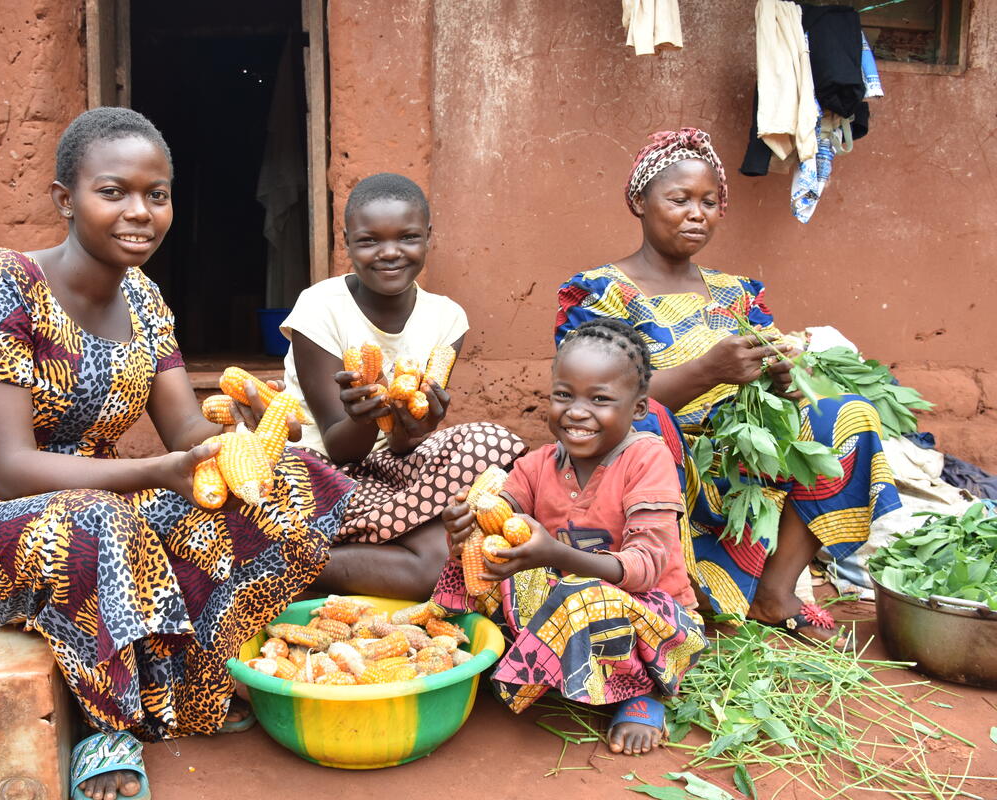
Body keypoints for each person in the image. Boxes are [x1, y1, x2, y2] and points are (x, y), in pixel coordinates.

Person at [0, 107, 354, 800]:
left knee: (292, 483)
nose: (140, 211)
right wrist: (156, 472)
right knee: (95, 521)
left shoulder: (144, 300)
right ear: (65, 199)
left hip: (106, 512)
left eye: (157, 194)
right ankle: (107, 726)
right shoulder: (2, 285)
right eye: (113, 192)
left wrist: (248, 439)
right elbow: (10, 470)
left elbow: (185, 434)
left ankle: (194, 688)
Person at [555, 128, 900, 646]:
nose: (697, 213)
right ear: (639, 203)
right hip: (657, 453)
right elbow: (594, 404)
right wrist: (707, 370)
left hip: (739, 449)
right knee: (647, 426)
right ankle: (672, 599)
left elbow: (775, 395)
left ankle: (773, 593)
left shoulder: (740, 294)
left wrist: (784, 379)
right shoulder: (600, 292)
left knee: (845, 414)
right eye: (679, 199)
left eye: (710, 202)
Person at [433, 318, 708, 755]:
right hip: (565, 605)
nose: (576, 412)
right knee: (479, 562)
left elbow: (643, 569)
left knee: (585, 596)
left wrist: (553, 553)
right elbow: (504, 518)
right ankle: (502, 658)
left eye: (600, 400)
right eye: (564, 395)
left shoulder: (646, 459)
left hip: (649, 619)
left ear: (638, 408)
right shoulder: (538, 464)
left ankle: (640, 693)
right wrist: (465, 526)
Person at [280, 173, 526, 599]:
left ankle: (309, 558)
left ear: (428, 237)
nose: (389, 253)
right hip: (315, 469)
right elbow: (341, 448)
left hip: (388, 472)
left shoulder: (446, 318)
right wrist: (365, 417)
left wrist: (418, 426)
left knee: (490, 439)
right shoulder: (319, 307)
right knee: (429, 569)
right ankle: (294, 563)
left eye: (408, 237)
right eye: (369, 240)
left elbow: (400, 446)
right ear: (346, 241)